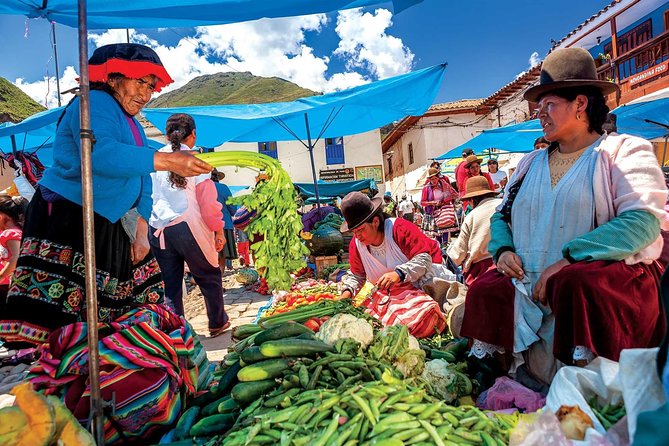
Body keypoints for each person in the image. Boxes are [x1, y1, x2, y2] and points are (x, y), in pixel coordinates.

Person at [460, 48, 667, 385]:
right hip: (528, 288)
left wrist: (569, 260)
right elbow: (502, 217)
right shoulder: (529, 164)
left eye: (549, 106)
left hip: (575, 293)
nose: (540, 115)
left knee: (579, 387)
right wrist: (503, 251)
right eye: (538, 108)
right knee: (484, 290)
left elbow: (641, 223)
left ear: (581, 104)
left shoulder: (623, 151)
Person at [0, 43, 212, 345]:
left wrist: (141, 225)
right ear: (113, 78)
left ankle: (108, 371)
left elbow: (141, 175)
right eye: (139, 82)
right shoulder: (94, 103)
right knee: (69, 319)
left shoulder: (130, 122)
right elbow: (100, 155)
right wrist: (169, 160)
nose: (146, 93)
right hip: (70, 217)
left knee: (115, 314)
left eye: (150, 86)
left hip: (110, 220)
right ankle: (66, 378)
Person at [149, 113, 230, 337]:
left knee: (171, 284)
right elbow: (208, 203)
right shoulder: (197, 161)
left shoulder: (155, 159)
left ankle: (176, 332)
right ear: (193, 135)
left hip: (158, 229)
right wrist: (218, 230)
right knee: (209, 276)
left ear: (167, 136)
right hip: (188, 226)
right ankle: (217, 323)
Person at [338, 192, 454, 334]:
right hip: (391, 296)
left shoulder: (398, 228)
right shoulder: (356, 245)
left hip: (422, 285)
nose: (357, 236)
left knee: (420, 319)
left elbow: (424, 259)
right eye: (354, 232)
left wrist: (398, 274)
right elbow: (357, 276)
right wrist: (346, 293)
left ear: (375, 222)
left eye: (361, 230)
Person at [447, 177, 501, 286]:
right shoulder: (505, 204)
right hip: (515, 263)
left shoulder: (472, 215)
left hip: (483, 271)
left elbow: (458, 254)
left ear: (472, 200)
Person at [0, 195, 27, 316]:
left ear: (3, 217)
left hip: (8, 285)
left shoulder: (10, 233)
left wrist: (0, 276)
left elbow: (16, 257)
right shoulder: (18, 232)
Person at [420, 167, 458, 245]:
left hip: (444, 211)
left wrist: (445, 201)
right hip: (433, 213)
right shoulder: (426, 189)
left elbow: (453, 194)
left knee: (445, 230)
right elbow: (422, 202)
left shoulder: (444, 184)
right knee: (436, 233)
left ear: (438, 177)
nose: (434, 181)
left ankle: (445, 246)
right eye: (432, 179)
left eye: (435, 178)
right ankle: (440, 249)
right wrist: (432, 203)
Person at [211, 169, 238, 272]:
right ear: (218, 177)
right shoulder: (223, 188)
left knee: (209, 257)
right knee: (221, 258)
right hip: (224, 225)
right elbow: (232, 209)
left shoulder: (201, 187)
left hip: (206, 226)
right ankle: (219, 284)